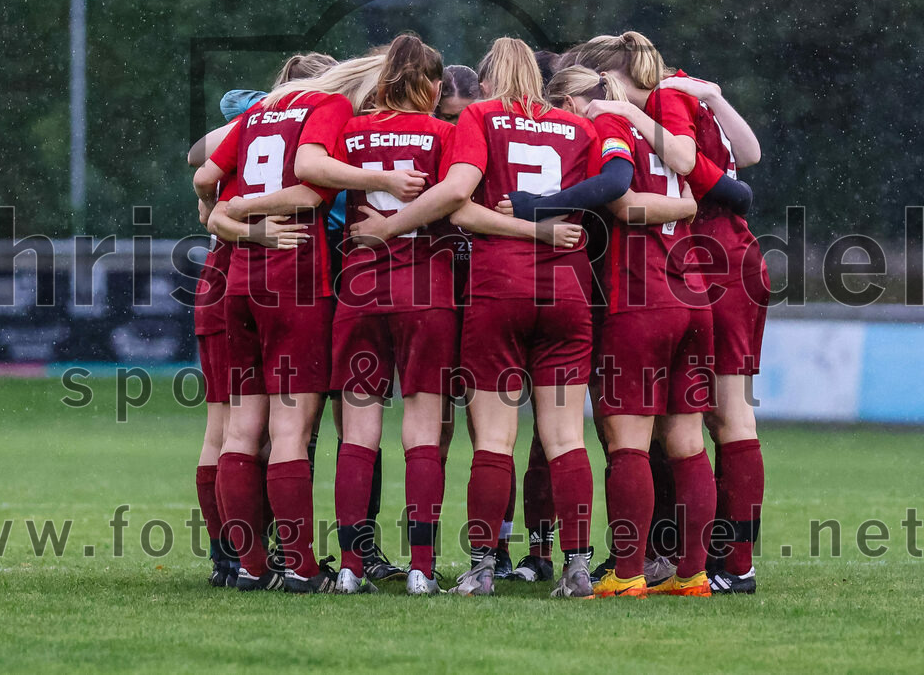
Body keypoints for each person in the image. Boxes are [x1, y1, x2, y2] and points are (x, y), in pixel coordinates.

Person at [507, 59, 717, 598]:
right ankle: (693, 574)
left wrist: (538, 207)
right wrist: (686, 205)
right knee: (687, 442)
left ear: (572, 102)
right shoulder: (662, 128)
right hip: (693, 290)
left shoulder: (607, 124)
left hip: (641, 297)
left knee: (627, 444)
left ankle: (627, 574)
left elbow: (621, 199)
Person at [192, 55, 386, 593]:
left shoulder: (259, 113)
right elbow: (309, 187)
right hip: (295, 280)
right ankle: (300, 565)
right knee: (290, 432)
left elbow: (204, 174)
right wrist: (380, 176)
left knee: (238, 431)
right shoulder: (330, 107)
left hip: (238, 283)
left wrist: (227, 214)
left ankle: (249, 565)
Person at [295, 35, 468, 594]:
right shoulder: (445, 132)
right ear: (433, 88)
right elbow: (457, 199)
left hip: (360, 289)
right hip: (425, 288)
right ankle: (421, 567)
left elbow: (311, 174)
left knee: (358, 431)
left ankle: (350, 565)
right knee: (423, 430)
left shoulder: (347, 131)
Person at [438, 37, 603, 599]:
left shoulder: (479, 117)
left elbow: (459, 205)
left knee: (494, 439)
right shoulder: (577, 127)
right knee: (566, 438)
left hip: (499, 287)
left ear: (487, 80)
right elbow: (605, 194)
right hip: (566, 289)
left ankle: (483, 567)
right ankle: (577, 566)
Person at [657, 70, 768, 594]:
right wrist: (716, 96)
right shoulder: (694, 97)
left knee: (727, 414)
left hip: (716, 260)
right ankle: (706, 555)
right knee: (695, 415)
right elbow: (751, 152)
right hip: (724, 258)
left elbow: (706, 173)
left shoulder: (667, 99)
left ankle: (737, 565)